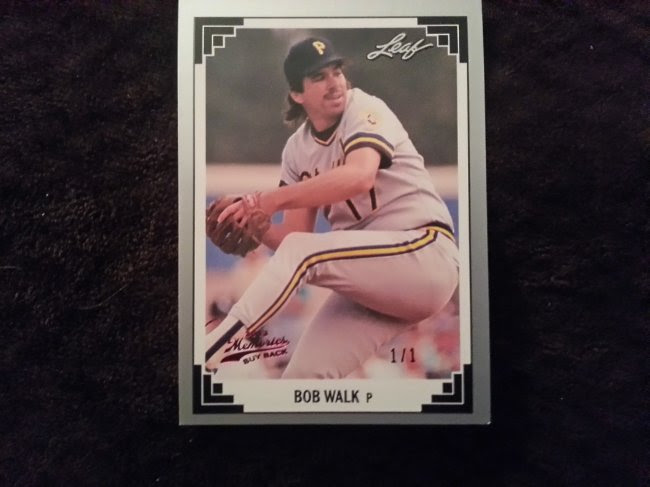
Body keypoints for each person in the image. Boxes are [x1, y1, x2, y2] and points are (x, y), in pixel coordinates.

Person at [205, 37, 459, 379]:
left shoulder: (366, 108)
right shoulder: (297, 150)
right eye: (319, 77)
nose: (334, 82)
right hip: (375, 285)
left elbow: (360, 177)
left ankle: (213, 349)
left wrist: (266, 200)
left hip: (424, 256)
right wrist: (257, 227)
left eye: (336, 71)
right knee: (301, 384)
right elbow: (294, 239)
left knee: (304, 251)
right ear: (297, 94)